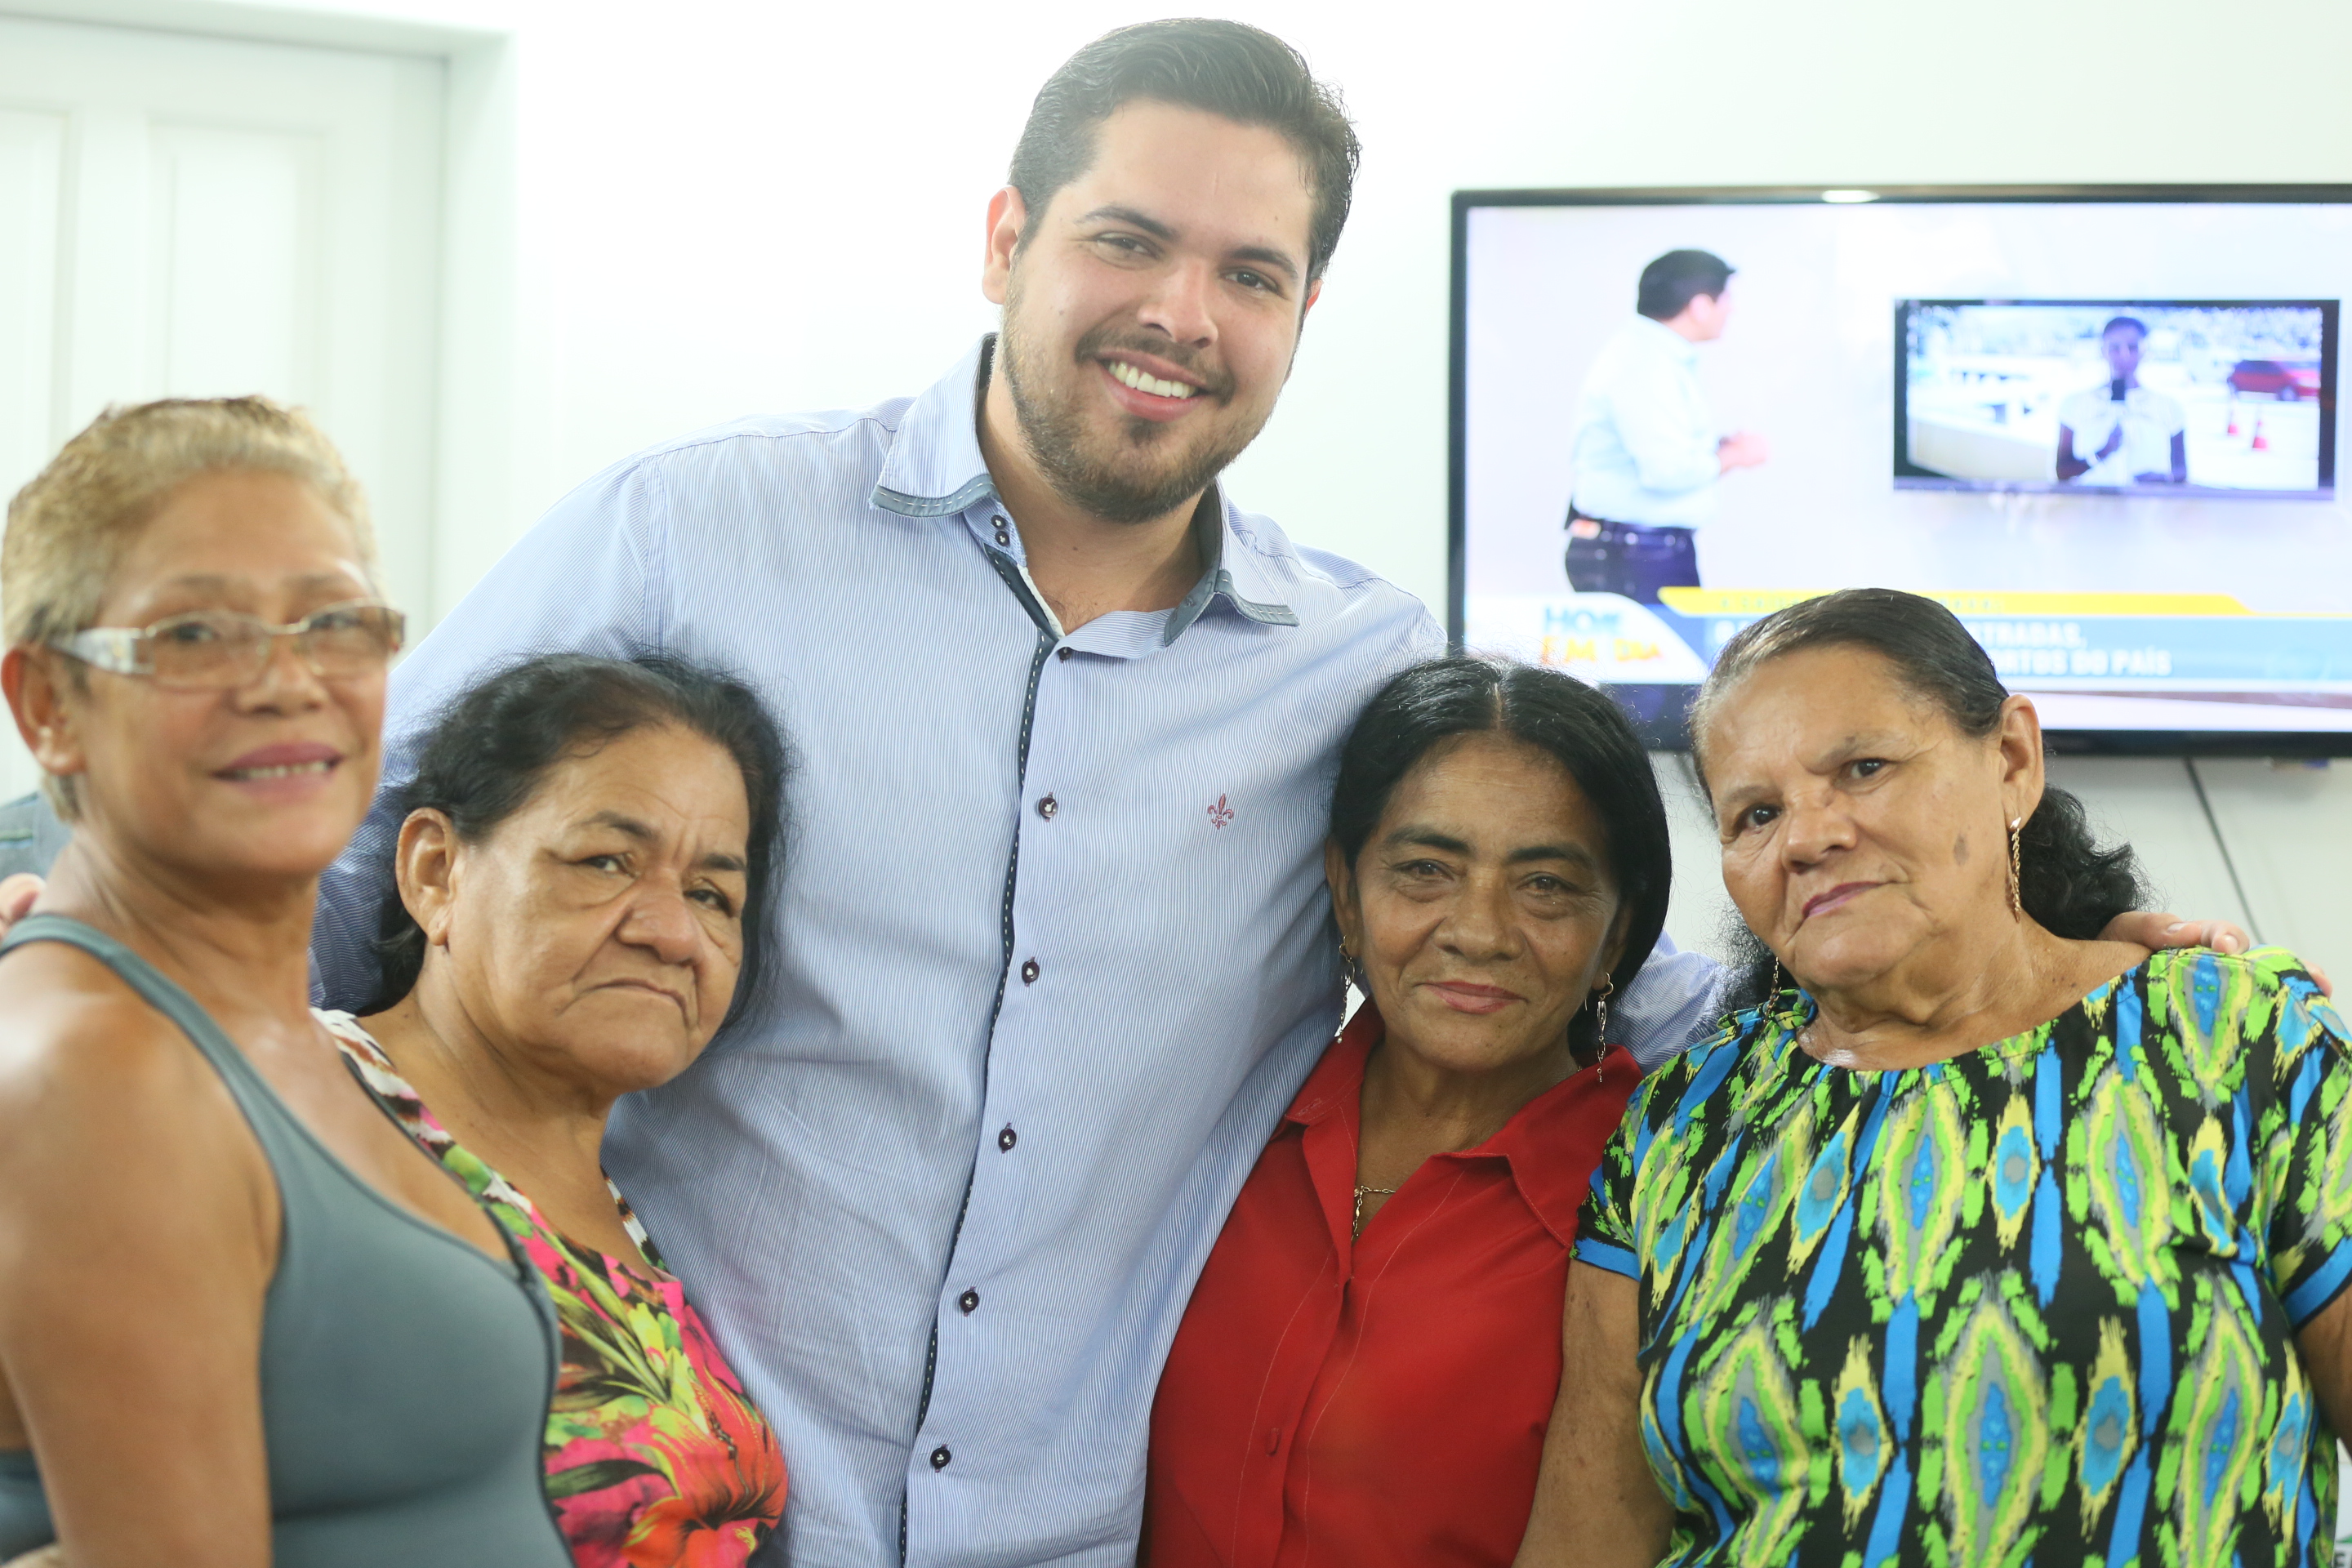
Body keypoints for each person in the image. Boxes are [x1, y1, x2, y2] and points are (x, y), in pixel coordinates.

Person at [0, 31, 2256, 1566]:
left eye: (1250, 275)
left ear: (1301, 317)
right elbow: (317, 857)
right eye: (1129, 243)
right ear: (1007, 242)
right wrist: (66, 998)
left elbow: (1584, 959)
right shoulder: (692, 532)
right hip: (682, 1508)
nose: (1180, 311)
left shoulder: (1358, 675)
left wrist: (2039, 975)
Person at [1517, 589, 2352, 1568]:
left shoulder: (2237, 1041)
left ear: (2011, 763)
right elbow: (1591, 1534)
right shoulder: (1682, 1126)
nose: (1807, 836)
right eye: (1757, 813)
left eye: (1863, 769)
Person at [0, 399, 569, 1565]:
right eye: (195, 634)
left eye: (334, 622)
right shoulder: (101, 1073)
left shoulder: (285, 1030)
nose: (286, 680)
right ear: (51, 706)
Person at [1143, 657, 1669, 1566]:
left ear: (1616, 931)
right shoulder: (1218, 1127)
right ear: (1345, 893)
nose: (1479, 931)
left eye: (1544, 885)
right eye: (1426, 870)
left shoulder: (1659, 1203)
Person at [330, 653, 790, 1563]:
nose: (670, 932)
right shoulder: (287, 1102)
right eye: (606, 862)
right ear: (435, 871)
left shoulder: (634, 1223)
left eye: (712, 894)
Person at [1564, 248, 1769, 604]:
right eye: (1726, 299)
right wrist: (1736, 456)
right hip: (1637, 556)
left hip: (1638, 551)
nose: (1731, 309)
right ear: (1701, 306)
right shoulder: (1646, 366)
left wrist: (1719, 449)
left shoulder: (1651, 356)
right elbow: (1667, 470)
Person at [2057, 315, 2186, 485]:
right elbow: (2062, 472)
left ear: (2145, 350)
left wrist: (2162, 478)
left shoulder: (2168, 406)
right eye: (2115, 348)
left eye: (2132, 348)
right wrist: (2101, 453)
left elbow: (2181, 472)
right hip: (2091, 508)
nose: (2124, 356)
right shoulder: (2075, 404)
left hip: (2148, 508)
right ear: (2103, 351)